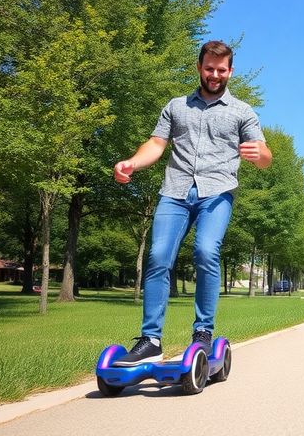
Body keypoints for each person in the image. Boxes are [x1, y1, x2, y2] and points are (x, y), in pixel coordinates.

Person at [111, 40, 273, 365]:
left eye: (221, 70)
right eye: (209, 68)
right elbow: (156, 144)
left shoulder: (242, 111)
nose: (215, 75)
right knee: (157, 257)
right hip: (176, 191)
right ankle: (151, 339)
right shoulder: (176, 106)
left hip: (217, 192)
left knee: (205, 251)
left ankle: (202, 333)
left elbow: (264, 155)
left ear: (230, 71)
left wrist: (261, 156)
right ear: (200, 67)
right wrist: (132, 163)